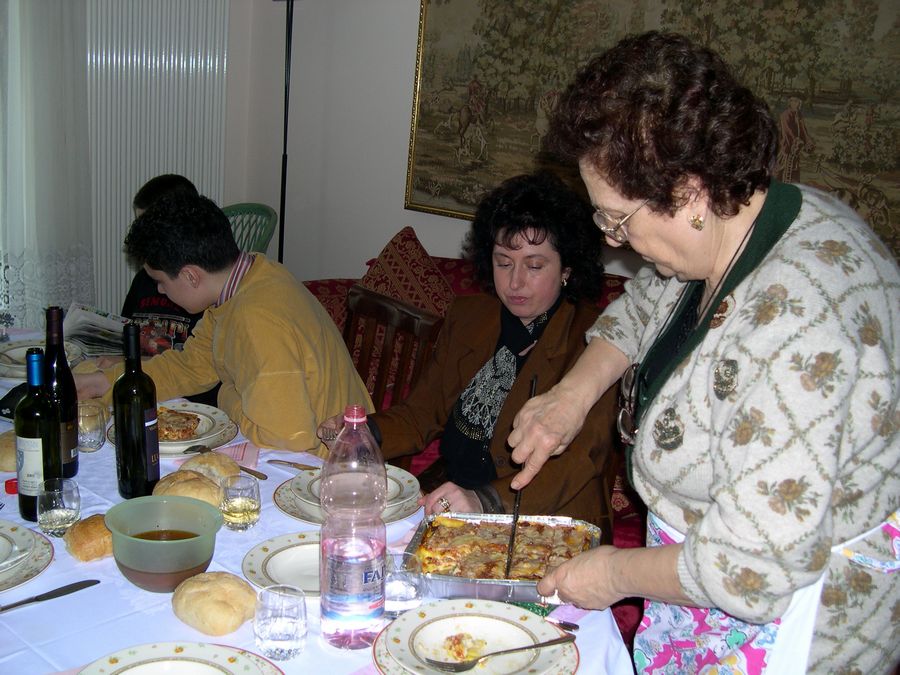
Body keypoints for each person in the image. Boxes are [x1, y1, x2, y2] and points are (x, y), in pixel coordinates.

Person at [506, 32, 899, 674]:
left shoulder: (797, 326)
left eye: (616, 220)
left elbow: (750, 571)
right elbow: (646, 304)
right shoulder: (732, 227)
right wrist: (571, 396)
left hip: (783, 625)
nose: (613, 242)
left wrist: (613, 574)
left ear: (687, 192)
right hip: (697, 595)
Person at [318, 171, 619, 533]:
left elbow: (577, 463)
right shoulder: (470, 317)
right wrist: (360, 433)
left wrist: (484, 501)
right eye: (503, 262)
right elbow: (420, 414)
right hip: (454, 499)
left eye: (535, 266)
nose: (515, 281)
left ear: (567, 268)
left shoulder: (599, 341)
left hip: (546, 521)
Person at [76, 191, 372, 453]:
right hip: (297, 449)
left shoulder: (255, 319)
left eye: (161, 281)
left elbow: (286, 439)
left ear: (191, 276)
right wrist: (107, 382)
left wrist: (227, 395)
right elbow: (191, 366)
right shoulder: (246, 278)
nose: (160, 290)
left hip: (325, 468)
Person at [109, 174, 219, 407]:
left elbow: (194, 367)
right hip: (144, 380)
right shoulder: (143, 280)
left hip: (181, 396)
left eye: (148, 227)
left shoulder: (206, 294)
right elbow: (127, 329)